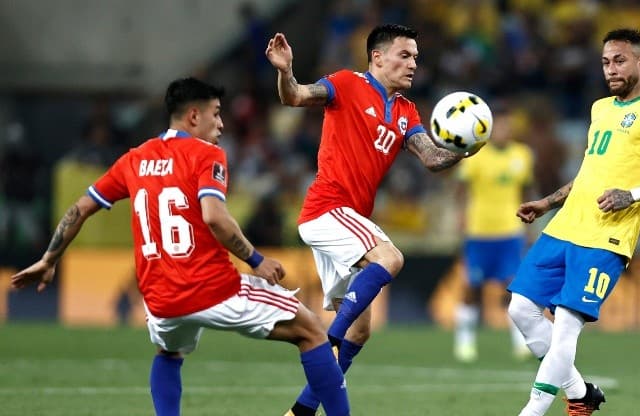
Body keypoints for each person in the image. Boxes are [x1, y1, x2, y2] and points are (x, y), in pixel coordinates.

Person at [10, 77, 350, 416]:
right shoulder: (207, 155)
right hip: (214, 288)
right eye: (216, 113)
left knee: (169, 354)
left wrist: (49, 259)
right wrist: (256, 259)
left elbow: (81, 208)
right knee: (311, 331)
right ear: (193, 116)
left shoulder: (135, 159)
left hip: (161, 299)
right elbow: (214, 217)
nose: (221, 123)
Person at [265, 24, 483, 416]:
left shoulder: (405, 111)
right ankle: (328, 343)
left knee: (361, 330)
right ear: (377, 57)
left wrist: (465, 147)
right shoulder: (346, 84)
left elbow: (432, 158)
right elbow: (295, 96)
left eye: (416, 57)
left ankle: (301, 411)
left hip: (349, 220)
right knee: (391, 258)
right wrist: (285, 71)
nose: (413, 64)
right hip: (327, 208)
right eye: (405, 55)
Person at [507, 28, 640, 416]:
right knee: (520, 309)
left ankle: (533, 411)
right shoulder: (600, 109)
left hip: (607, 236)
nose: (611, 69)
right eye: (606, 62)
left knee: (566, 323)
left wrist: (633, 194)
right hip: (564, 227)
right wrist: (548, 202)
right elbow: (589, 173)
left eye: (620, 61)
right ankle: (580, 393)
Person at [453, 104, 534, 363]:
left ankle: (520, 342)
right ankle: (464, 342)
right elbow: (461, 189)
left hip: (510, 231)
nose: (502, 130)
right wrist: (461, 218)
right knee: (471, 287)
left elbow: (526, 191)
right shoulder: (475, 155)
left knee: (513, 288)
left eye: (506, 126)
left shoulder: (522, 155)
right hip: (479, 232)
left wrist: (529, 226)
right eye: (498, 126)